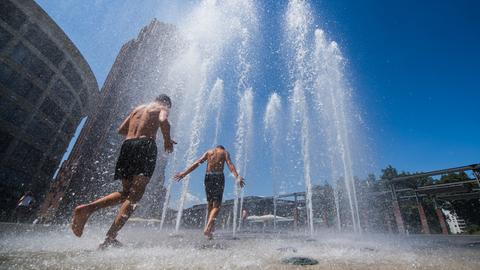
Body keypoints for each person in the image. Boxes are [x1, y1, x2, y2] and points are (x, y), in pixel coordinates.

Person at [71, 94, 176, 249]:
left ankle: (88, 209)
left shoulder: (137, 109)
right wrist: (167, 139)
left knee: (126, 193)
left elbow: (121, 130)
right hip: (145, 146)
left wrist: (137, 132)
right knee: (135, 196)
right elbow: (163, 120)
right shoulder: (162, 107)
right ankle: (110, 238)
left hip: (127, 146)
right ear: (165, 103)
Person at [174, 145, 245, 239]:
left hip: (208, 177)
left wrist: (184, 173)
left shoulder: (208, 152)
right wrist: (237, 176)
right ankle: (207, 228)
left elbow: (197, 162)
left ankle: (210, 230)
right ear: (223, 148)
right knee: (217, 206)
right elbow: (230, 164)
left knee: (210, 204)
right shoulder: (224, 152)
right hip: (218, 177)